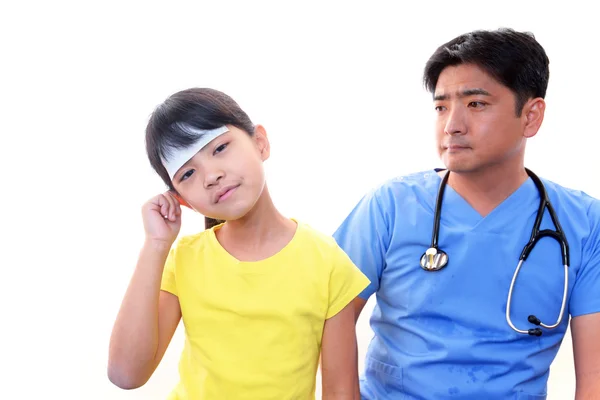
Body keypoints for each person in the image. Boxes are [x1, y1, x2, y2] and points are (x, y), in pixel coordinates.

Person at [333, 28, 600, 399]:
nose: (451, 125)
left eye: (475, 104)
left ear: (531, 116)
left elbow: (595, 381)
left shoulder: (585, 224)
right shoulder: (391, 206)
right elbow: (331, 314)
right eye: (441, 106)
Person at [108, 88, 370, 399]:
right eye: (188, 173)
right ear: (183, 199)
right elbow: (126, 374)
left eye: (219, 149)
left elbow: (341, 393)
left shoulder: (327, 262)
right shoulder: (184, 258)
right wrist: (156, 243)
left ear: (260, 142)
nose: (211, 176)